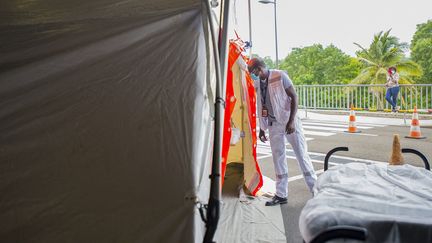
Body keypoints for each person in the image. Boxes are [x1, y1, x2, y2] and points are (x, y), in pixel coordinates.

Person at [248, 58, 317, 206]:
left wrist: (291, 121)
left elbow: (294, 96)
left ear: (260, 68)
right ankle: (281, 194)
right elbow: (262, 105)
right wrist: (262, 128)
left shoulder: (280, 76)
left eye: (254, 72)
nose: (253, 75)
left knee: (301, 155)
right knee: (278, 158)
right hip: (273, 125)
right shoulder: (258, 83)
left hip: (289, 122)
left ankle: (316, 191)